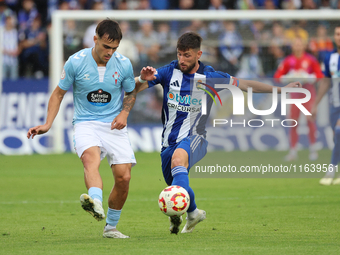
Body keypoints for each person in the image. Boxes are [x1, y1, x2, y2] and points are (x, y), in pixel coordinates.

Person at [135, 32, 301, 234]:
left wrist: (280, 90)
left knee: (179, 162)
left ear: (199, 54)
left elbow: (246, 85)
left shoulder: (212, 77)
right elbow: (137, 86)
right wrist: (140, 79)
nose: (182, 59)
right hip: (168, 142)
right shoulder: (169, 72)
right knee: (177, 182)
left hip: (196, 137)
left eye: (187, 55)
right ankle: (193, 213)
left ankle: (178, 212)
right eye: (179, 54)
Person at [27, 19, 136, 238]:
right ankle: (95, 201)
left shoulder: (123, 63)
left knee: (123, 178)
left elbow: (131, 92)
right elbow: (58, 93)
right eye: (106, 46)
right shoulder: (75, 62)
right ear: (95, 39)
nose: (110, 52)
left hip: (113, 124)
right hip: (85, 122)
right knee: (90, 159)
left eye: (114, 48)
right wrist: (48, 124)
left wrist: (124, 113)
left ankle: (110, 228)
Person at [274, 37, 324, 161]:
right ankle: (293, 151)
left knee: (310, 120)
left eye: (299, 44)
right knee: (293, 122)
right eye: (295, 45)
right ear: (292, 47)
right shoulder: (288, 61)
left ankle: (313, 149)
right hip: (294, 96)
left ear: (303, 46)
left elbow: (320, 75)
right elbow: (277, 76)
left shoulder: (310, 60)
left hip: (308, 94)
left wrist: (309, 77)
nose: (297, 47)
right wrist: (288, 77)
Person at [312, 25, 340, 185]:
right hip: (334, 105)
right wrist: (315, 104)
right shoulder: (330, 58)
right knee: (338, 139)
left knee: (338, 131)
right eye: (337, 34)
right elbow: (325, 83)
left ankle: (331, 170)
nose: (339, 36)